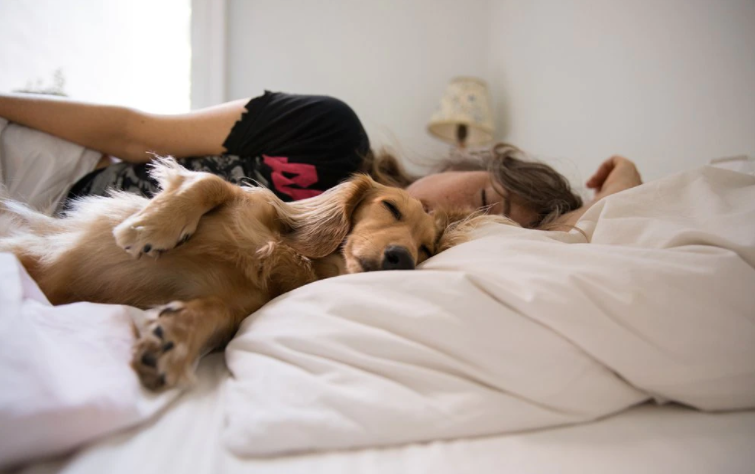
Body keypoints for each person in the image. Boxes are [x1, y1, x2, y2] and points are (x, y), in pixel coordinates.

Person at [0, 91, 642, 230]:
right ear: (465, 161)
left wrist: (622, 192)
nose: (456, 214)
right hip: (60, 171)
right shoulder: (327, 130)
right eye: (480, 198)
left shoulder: (381, 253)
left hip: (57, 236)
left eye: (490, 223)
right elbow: (137, 131)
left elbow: (572, 247)